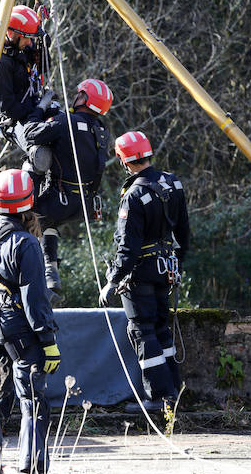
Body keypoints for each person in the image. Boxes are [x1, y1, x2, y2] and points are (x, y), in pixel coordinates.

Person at [0, 168, 75, 474]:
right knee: (33, 401)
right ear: (28, 201)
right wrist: (48, 341)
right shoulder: (26, 243)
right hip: (21, 331)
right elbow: (35, 298)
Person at [98, 131, 190, 410]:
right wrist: (178, 263)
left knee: (142, 330)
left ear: (123, 160)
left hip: (140, 273)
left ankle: (159, 398)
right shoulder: (173, 183)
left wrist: (112, 281)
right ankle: (173, 392)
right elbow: (183, 231)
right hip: (166, 268)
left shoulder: (134, 195)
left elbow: (128, 246)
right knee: (162, 329)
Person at [22, 78, 113, 294]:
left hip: (59, 199)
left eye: (79, 93)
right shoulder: (101, 131)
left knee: (30, 213)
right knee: (48, 221)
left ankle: (42, 271)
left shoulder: (65, 123)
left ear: (84, 98)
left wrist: (42, 107)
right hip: (84, 204)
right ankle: (51, 271)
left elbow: (30, 133)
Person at [0, 4, 56, 174]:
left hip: (32, 108)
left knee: (66, 129)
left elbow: (42, 68)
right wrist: (39, 109)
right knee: (41, 154)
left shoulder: (20, 47)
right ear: (11, 34)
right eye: (26, 38)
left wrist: (43, 48)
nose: (29, 42)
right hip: (15, 120)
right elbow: (8, 108)